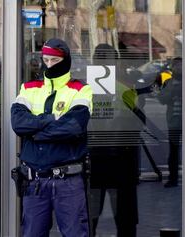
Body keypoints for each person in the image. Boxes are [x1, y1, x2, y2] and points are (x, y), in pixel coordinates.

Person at [11, 38, 93, 236]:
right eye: (46, 60)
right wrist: (53, 119)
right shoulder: (28, 88)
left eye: (54, 61)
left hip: (68, 181)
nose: (49, 65)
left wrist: (35, 132)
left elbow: (73, 128)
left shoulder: (81, 89)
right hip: (36, 181)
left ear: (65, 60)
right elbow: (18, 124)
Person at [89, 43, 141, 237]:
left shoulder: (85, 89)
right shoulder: (125, 89)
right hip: (111, 161)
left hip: (110, 161)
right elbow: (137, 124)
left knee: (93, 217)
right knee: (118, 217)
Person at [158, 57, 182, 188]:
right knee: (173, 151)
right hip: (174, 122)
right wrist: (172, 92)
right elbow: (162, 99)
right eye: (176, 66)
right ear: (172, 68)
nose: (179, 68)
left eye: (181, 66)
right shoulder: (169, 82)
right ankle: (173, 179)